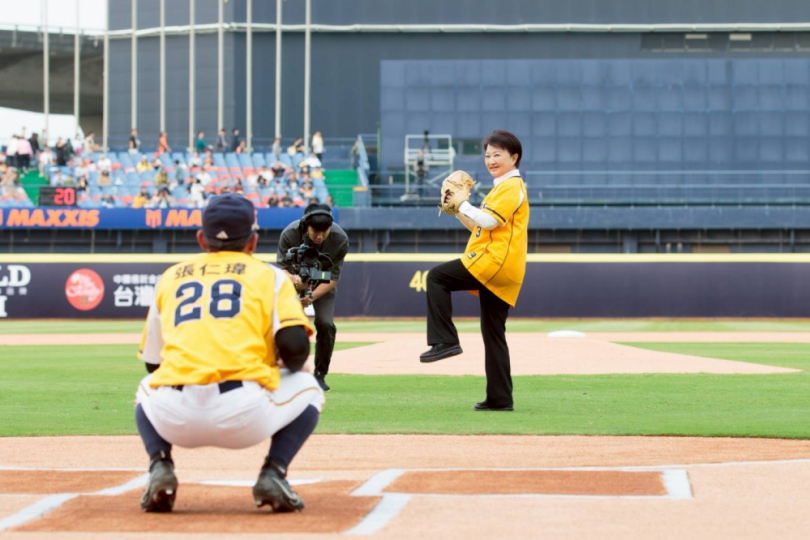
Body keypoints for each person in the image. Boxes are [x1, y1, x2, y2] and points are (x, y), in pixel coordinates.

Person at [134, 194, 323, 513]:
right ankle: (273, 472)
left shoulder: (170, 276)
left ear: (200, 239)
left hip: (174, 416)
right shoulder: (271, 276)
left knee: (145, 389)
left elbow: (153, 362)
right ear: (252, 241)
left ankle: (160, 465)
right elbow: (295, 348)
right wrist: (276, 364)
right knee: (311, 388)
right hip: (243, 415)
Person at [421, 130, 529, 412]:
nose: (491, 160)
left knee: (437, 277)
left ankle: (445, 341)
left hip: (494, 262)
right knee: (493, 333)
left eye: (498, 154)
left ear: (513, 157)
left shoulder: (512, 186)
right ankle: (500, 398)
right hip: (505, 269)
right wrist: (458, 211)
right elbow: (479, 226)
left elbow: (490, 222)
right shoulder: (500, 188)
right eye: (488, 155)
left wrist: (464, 203)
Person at [277, 204, 349, 392]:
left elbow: (333, 278)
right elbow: (281, 268)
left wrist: (310, 297)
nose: (319, 236)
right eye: (315, 232)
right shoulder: (289, 234)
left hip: (323, 286)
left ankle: (320, 375)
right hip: (292, 282)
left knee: (325, 324)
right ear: (305, 226)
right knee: (287, 325)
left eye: (324, 232)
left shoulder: (340, 238)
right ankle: (288, 374)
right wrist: (293, 279)